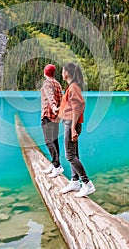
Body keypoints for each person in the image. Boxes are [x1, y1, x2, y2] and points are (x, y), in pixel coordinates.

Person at [58, 62, 96, 197]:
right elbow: (70, 106)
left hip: (71, 124)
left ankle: (87, 184)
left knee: (70, 155)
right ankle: (75, 181)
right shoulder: (71, 87)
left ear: (67, 73)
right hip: (68, 123)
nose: (61, 73)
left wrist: (73, 128)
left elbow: (77, 107)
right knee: (74, 154)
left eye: (63, 70)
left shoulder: (73, 87)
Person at [41, 64, 64, 178]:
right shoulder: (58, 84)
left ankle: (57, 166)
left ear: (45, 72)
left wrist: (54, 107)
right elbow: (61, 98)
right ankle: (54, 163)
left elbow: (50, 97)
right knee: (54, 141)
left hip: (48, 115)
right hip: (56, 117)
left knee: (48, 141)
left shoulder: (47, 83)